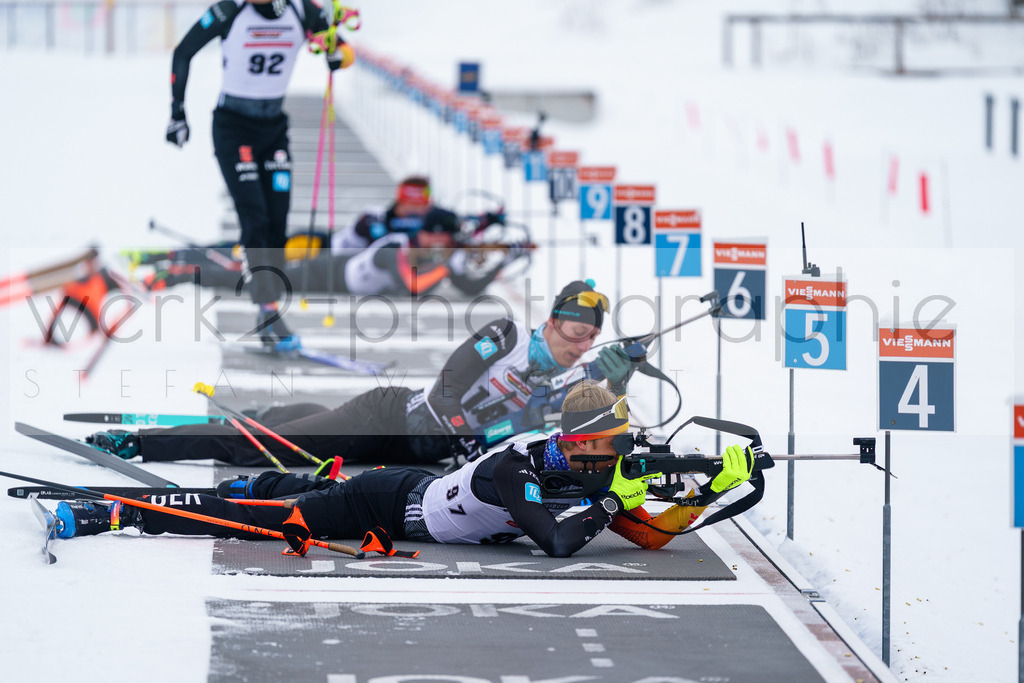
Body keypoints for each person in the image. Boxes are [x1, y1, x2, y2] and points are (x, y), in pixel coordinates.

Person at [52, 381, 757, 558]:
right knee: (259, 522)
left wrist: (716, 483)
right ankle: (114, 511)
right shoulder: (520, 469)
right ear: (578, 445)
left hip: (405, 492)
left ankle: (248, 481)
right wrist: (609, 505)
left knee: (281, 489)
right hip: (381, 506)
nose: (621, 455)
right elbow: (559, 542)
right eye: (614, 445)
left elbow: (655, 534)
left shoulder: (583, 464)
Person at [85, 280, 637, 467]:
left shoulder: (575, 379)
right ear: (551, 322)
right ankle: (140, 444)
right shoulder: (510, 335)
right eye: (572, 332)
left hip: (421, 455)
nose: (580, 344)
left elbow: (585, 427)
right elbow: (449, 383)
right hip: (390, 419)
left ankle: (264, 415)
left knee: (300, 422)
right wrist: (467, 438)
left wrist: (619, 382)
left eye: (590, 338)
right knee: (271, 449)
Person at [167, 0, 355, 351]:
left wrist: (337, 57)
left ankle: (268, 306)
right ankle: (269, 313)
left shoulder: (301, 10)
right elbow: (183, 51)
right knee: (254, 218)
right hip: (233, 128)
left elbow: (343, 48)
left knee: (276, 223)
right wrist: (177, 112)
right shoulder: (229, 10)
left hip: (273, 130)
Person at [139, 206, 531, 298]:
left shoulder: (428, 251)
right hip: (318, 271)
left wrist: (500, 263)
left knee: (248, 267)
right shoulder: (396, 249)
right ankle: (178, 268)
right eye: (442, 242)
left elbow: (468, 285)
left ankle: (183, 265)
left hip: (330, 271)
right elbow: (415, 284)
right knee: (247, 274)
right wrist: (447, 264)